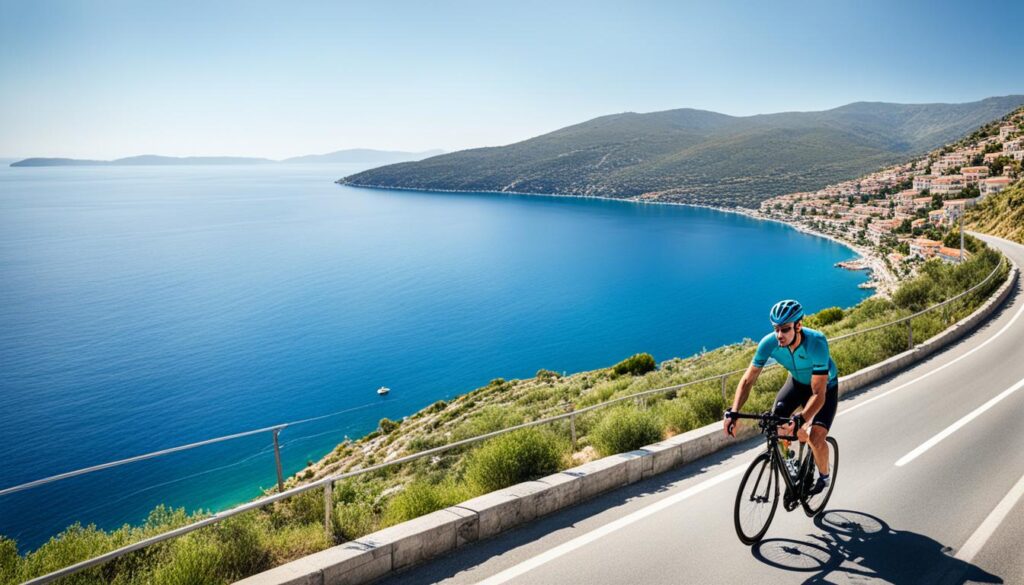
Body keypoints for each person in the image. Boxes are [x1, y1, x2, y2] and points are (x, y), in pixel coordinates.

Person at [723, 299, 838, 495]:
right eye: (776, 329)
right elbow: (747, 381)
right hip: (795, 383)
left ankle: (824, 476)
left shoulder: (816, 343)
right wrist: (734, 412)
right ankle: (790, 461)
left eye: (785, 329)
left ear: (798, 325)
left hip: (824, 388)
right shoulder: (769, 343)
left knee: (817, 437)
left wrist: (801, 418)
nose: (779, 335)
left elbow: (818, 394)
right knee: (776, 422)